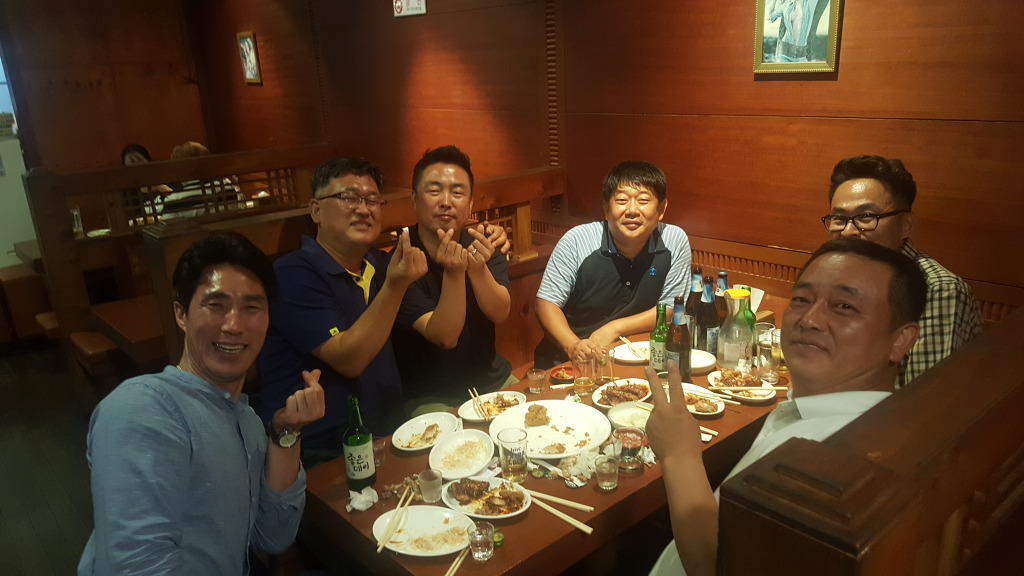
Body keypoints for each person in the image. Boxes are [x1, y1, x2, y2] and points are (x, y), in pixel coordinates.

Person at [645, 238, 927, 576]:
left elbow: (717, 568)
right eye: (802, 299)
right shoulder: (838, 413)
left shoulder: (842, 453)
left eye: (844, 306)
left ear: (901, 340)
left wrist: (678, 453)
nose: (809, 319)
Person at [78, 232, 326, 575]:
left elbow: (273, 536)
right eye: (216, 305)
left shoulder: (247, 421)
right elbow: (137, 566)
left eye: (252, 307)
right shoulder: (144, 409)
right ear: (181, 314)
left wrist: (287, 431)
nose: (234, 325)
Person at [259, 157, 428, 467]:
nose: (363, 209)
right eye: (349, 198)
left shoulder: (377, 265)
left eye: (373, 200)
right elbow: (349, 359)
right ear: (316, 210)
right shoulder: (292, 274)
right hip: (321, 455)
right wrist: (395, 284)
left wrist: (478, 245)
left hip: (391, 438)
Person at [822, 155, 983, 387]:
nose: (848, 231)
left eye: (867, 217)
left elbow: (924, 399)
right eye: (839, 218)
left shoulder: (936, 290)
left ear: (906, 224)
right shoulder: (844, 278)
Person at [391, 145, 513, 414]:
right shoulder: (401, 263)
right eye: (434, 191)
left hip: (493, 382)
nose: (446, 201)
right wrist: (455, 271)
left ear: (470, 204)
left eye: (457, 193)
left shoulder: (484, 244)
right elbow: (445, 337)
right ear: (414, 199)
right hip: (432, 398)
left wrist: (478, 270)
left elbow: (500, 312)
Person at [533, 160, 691, 368]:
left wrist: (615, 328)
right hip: (566, 360)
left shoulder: (674, 240)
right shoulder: (578, 240)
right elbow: (546, 303)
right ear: (606, 209)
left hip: (633, 356)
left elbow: (671, 308)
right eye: (622, 200)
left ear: (661, 209)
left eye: (643, 200)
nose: (632, 210)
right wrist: (573, 346)